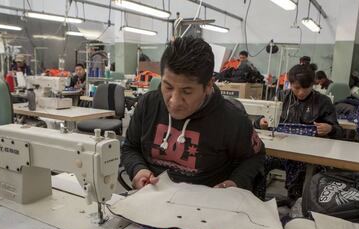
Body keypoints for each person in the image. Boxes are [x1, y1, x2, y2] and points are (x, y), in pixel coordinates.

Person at [122, 37, 266, 195]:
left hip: (206, 208)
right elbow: (130, 147)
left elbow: (254, 157)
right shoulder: (148, 105)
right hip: (154, 201)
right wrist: (138, 170)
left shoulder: (232, 119)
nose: (175, 101)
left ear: (208, 86)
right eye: (168, 87)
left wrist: (236, 182)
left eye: (187, 91)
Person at [255, 64, 343, 199]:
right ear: (290, 84)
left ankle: (297, 204)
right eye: (296, 88)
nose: (301, 92)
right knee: (258, 162)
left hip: (309, 154)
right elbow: (263, 117)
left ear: (313, 84)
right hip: (282, 152)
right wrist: (261, 122)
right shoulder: (281, 97)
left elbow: (339, 131)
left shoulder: (323, 102)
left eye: (306, 88)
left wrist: (330, 128)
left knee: (306, 172)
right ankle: (257, 202)